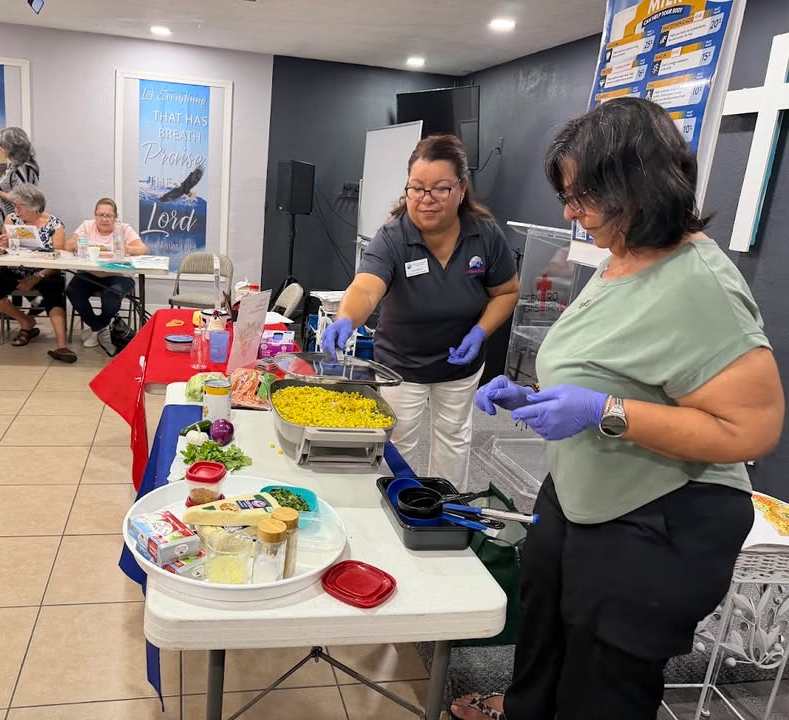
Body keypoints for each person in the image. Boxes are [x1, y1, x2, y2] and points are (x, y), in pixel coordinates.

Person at [452, 98, 784, 720]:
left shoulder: (700, 284)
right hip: (577, 503)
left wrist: (607, 411)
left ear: (640, 185)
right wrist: (538, 398)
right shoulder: (621, 255)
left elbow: (752, 429)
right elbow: (621, 366)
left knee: (601, 690)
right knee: (543, 651)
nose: (570, 213)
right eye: (566, 196)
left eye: (583, 197)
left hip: (655, 522)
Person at [320, 134, 519, 489]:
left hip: (460, 364)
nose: (426, 200)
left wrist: (480, 332)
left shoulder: (484, 235)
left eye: (439, 189)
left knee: (453, 442)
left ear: (461, 188)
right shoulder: (394, 236)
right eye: (416, 189)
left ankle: (445, 511)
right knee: (399, 446)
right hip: (402, 365)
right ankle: (399, 509)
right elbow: (366, 287)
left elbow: (506, 292)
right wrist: (346, 319)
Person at [0, 183, 76, 363]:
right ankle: (25, 321)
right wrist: (3, 243)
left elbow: (59, 259)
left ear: (34, 207)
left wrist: (35, 278)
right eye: (15, 205)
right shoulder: (11, 219)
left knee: (53, 291)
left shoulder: (55, 225)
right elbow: (4, 249)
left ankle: (62, 345)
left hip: (46, 272)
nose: (16, 210)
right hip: (16, 270)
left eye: (19, 206)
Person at [65, 198, 146, 355]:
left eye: (109, 215)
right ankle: (100, 328)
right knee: (72, 291)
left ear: (115, 217)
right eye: (100, 214)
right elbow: (68, 245)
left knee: (111, 294)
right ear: (95, 215)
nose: (104, 219)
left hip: (119, 274)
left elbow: (142, 249)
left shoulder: (123, 228)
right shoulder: (87, 226)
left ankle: (98, 329)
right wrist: (78, 245)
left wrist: (124, 247)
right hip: (90, 273)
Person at [0, 126, 40, 221]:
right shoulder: (13, 167)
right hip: (9, 220)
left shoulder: (23, 168)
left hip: (21, 222)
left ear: (12, 148)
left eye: (2, 146)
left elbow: (23, 198)